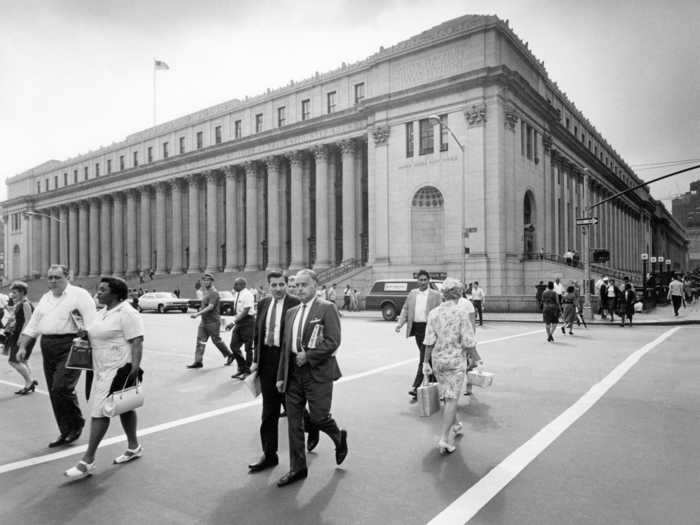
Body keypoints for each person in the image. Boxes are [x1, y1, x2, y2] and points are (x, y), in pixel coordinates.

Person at [63, 276, 145, 479]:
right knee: (125, 407)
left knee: (99, 413)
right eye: (98, 290)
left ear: (116, 293)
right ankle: (134, 447)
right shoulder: (102, 313)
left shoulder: (127, 312)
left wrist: (134, 369)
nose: (98, 293)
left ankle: (87, 461)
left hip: (118, 369)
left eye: (102, 290)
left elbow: (137, 341)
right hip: (100, 368)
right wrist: (84, 335)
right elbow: (96, 333)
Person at [275, 269, 348, 487]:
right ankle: (297, 468)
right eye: (296, 285)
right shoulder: (291, 312)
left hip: (317, 372)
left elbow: (333, 341)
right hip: (294, 375)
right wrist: (281, 376)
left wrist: (309, 356)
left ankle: (338, 436)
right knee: (294, 423)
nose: (299, 289)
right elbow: (286, 348)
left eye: (304, 285)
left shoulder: (327, 308)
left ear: (315, 285)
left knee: (318, 417)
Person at [17, 264, 97, 448]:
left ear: (68, 277)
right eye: (50, 277)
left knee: (62, 387)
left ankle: (76, 423)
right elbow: (33, 324)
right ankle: (65, 430)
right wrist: (22, 347)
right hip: (48, 345)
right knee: (54, 390)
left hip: (72, 344)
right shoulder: (45, 298)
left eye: (57, 277)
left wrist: (92, 344)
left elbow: (92, 322)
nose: (52, 281)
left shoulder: (79, 295)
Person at [247, 272, 300, 473]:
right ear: (268, 286)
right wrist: (254, 360)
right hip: (267, 361)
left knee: (293, 407)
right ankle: (269, 455)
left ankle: (312, 428)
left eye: (281, 284)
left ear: (287, 284)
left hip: (287, 362)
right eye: (274, 285)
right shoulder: (263, 304)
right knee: (269, 412)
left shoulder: (295, 304)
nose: (278, 288)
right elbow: (257, 334)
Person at [422, 279, 477, 454]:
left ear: (443, 294)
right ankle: (444, 438)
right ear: (459, 294)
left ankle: (457, 424)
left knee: (447, 397)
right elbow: (468, 341)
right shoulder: (461, 313)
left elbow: (429, 341)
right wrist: (478, 359)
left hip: (438, 361)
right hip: (455, 362)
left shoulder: (433, 313)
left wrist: (425, 362)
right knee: (452, 399)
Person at [395, 270, 441, 401]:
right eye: (420, 280)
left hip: (430, 329)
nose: (423, 282)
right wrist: (400, 324)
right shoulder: (412, 293)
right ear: (417, 281)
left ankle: (415, 387)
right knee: (429, 357)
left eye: (425, 280)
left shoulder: (436, 295)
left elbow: (441, 311)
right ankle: (435, 383)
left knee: (423, 357)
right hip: (417, 329)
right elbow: (405, 309)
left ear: (429, 280)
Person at [186, 273, 234, 369]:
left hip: (213, 322)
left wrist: (197, 314)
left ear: (212, 281)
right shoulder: (206, 291)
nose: (206, 282)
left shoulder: (214, 292)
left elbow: (211, 306)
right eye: (204, 280)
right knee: (200, 341)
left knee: (216, 340)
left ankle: (229, 355)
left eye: (208, 280)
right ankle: (198, 361)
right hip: (204, 322)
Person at [6, 281, 38, 394]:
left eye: (14, 292)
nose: (12, 295)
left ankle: (29, 382)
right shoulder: (20, 303)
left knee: (14, 361)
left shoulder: (25, 304)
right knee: (22, 359)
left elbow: (28, 321)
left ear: (22, 292)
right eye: (12, 292)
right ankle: (31, 380)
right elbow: (20, 320)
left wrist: (22, 337)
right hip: (21, 334)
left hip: (24, 335)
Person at [227, 277, 256, 379]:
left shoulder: (247, 294)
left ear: (242, 285)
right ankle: (242, 367)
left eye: (236, 284)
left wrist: (233, 322)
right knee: (234, 346)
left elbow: (246, 311)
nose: (234, 286)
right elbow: (238, 311)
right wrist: (235, 322)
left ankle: (247, 371)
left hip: (248, 322)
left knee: (248, 348)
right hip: (239, 322)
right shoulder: (237, 294)